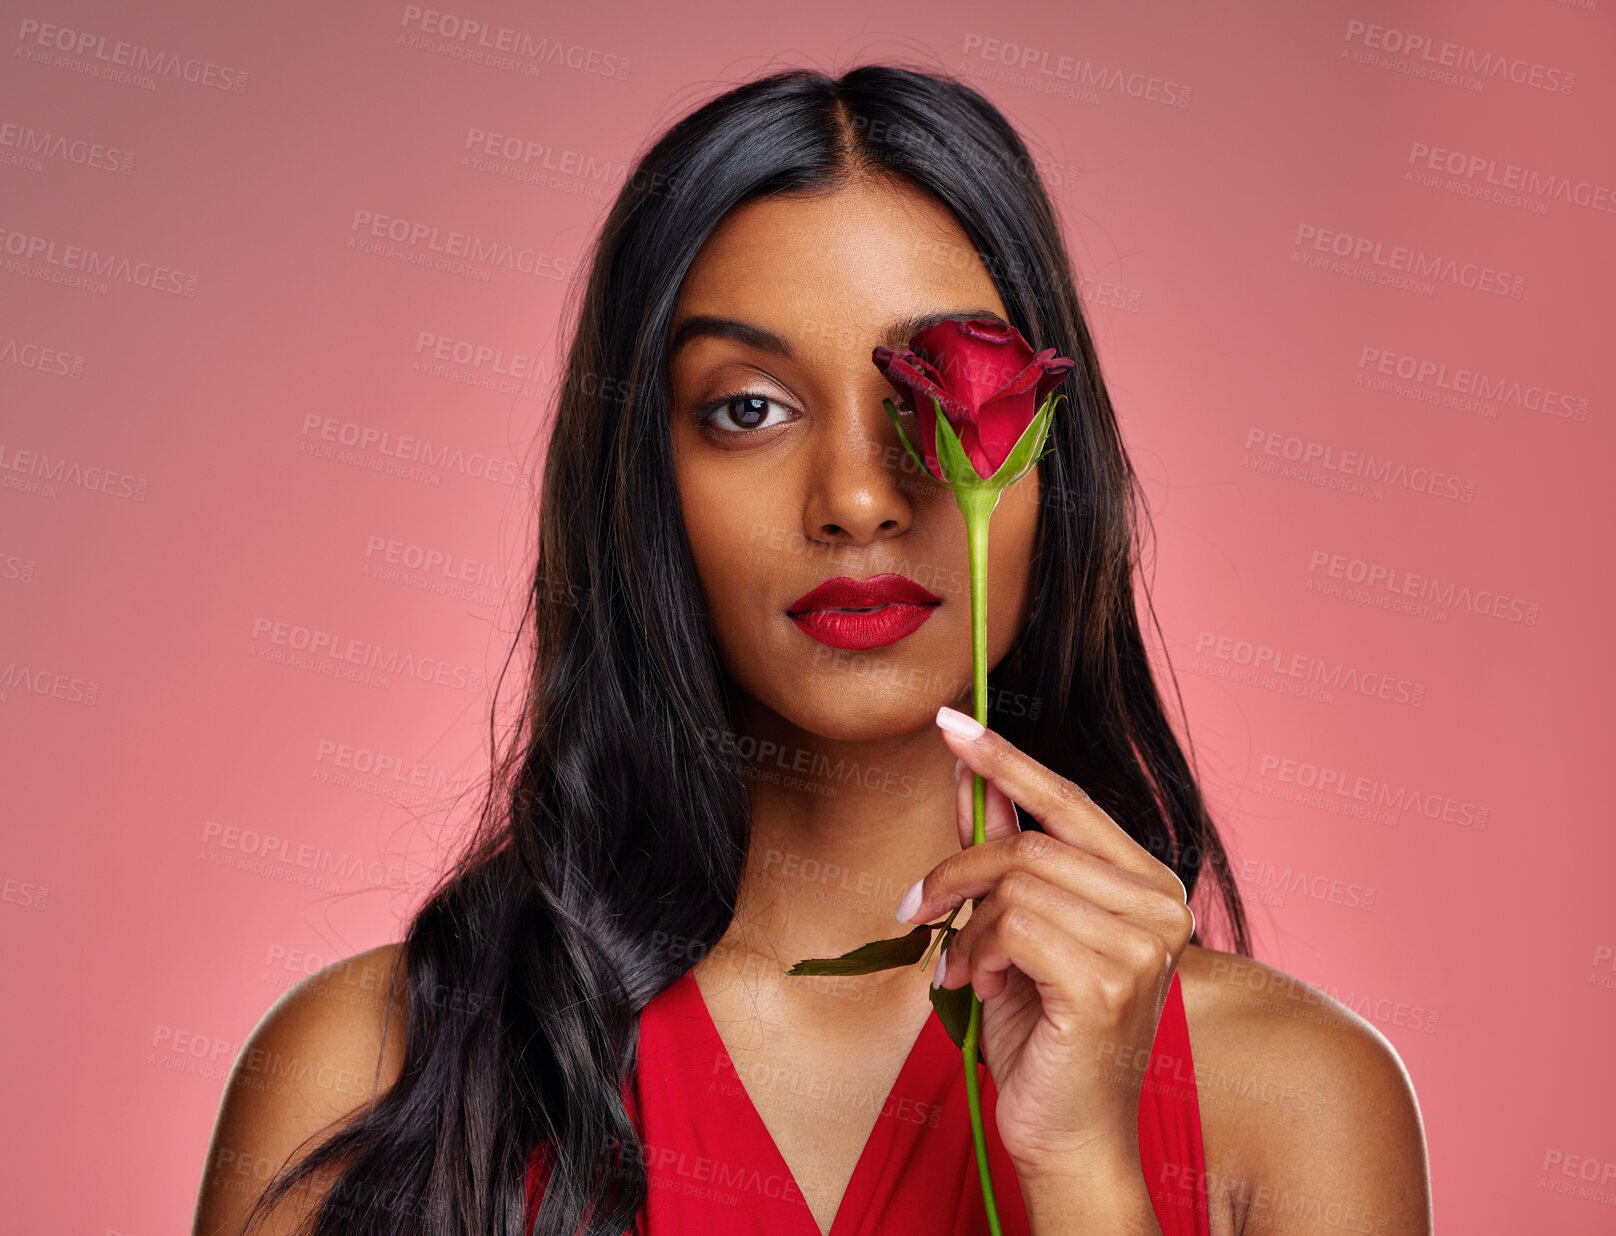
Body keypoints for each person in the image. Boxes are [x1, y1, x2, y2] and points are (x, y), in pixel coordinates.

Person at [192, 64, 1431, 1236]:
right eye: (748, 409)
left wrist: (1085, 1174)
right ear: (640, 482)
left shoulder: (1293, 1101)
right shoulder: (365, 1070)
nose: (855, 496)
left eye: (928, 396)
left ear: (1058, 462)